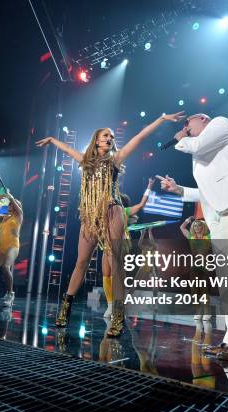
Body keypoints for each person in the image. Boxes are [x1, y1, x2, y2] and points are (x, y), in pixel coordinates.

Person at [36, 111, 185, 337]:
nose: (109, 139)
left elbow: (140, 137)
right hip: (89, 215)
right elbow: (67, 150)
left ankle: (117, 314)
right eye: (106, 135)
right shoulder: (85, 161)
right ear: (96, 139)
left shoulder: (115, 159)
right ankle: (65, 308)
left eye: (112, 137)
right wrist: (52, 140)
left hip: (112, 211)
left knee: (115, 261)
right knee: (81, 262)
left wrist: (162, 119)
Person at [159, 113, 228, 363]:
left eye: (188, 124)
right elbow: (207, 189)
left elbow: (196, 145)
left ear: (202, 119)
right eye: (183, 127)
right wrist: (179, 190)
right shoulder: (202, 153)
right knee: (227, 280)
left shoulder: (220, 124)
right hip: (223, 212)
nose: (185, 127)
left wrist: (179, 139)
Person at [102, 177, 156, 318]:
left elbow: (141, 204)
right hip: (105, 244)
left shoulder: (123, 211)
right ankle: (110, 305)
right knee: (106, 274)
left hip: (119, 244)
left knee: (115, 273)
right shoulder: (106, 212)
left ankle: (117, 305)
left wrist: (149, 186)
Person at [180, 216, 212, 321]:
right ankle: (198, 311)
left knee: (204, 290)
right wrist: (187, 220)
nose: (197, 227)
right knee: (194, 291)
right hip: (194, 267)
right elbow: (182, 228)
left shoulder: (208, 237)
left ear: (203, 226)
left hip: (205, 266)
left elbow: (217, 229)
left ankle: (207, 312)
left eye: (199, 225)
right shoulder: (191, 237)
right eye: (195, 225)